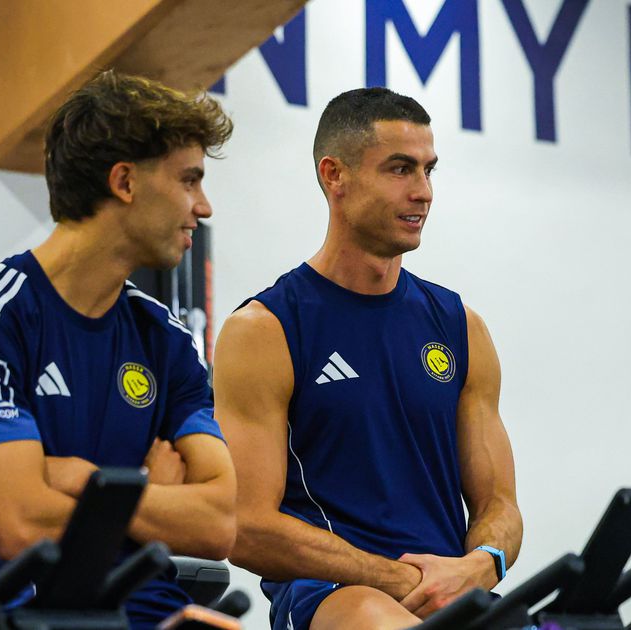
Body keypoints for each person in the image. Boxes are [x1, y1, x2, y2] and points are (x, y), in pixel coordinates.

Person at [0, 70, 237, 628]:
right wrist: (153, 496)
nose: (202, 207)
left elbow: (218, 525)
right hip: (17, 619)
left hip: (152, 616)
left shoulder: (166, 339)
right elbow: (15, 524)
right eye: (189, 180)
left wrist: (81, 480)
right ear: (125, 182)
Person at [214, 87, 522, 630]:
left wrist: (481, 564)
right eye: (400, 169)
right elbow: (247, 525)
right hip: (334, 595)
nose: (423, 192)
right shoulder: (264, 330)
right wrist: (397, 579)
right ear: (335, 175)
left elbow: (500, 505)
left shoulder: (460, 327)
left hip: (449, 595)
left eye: (429, 170)